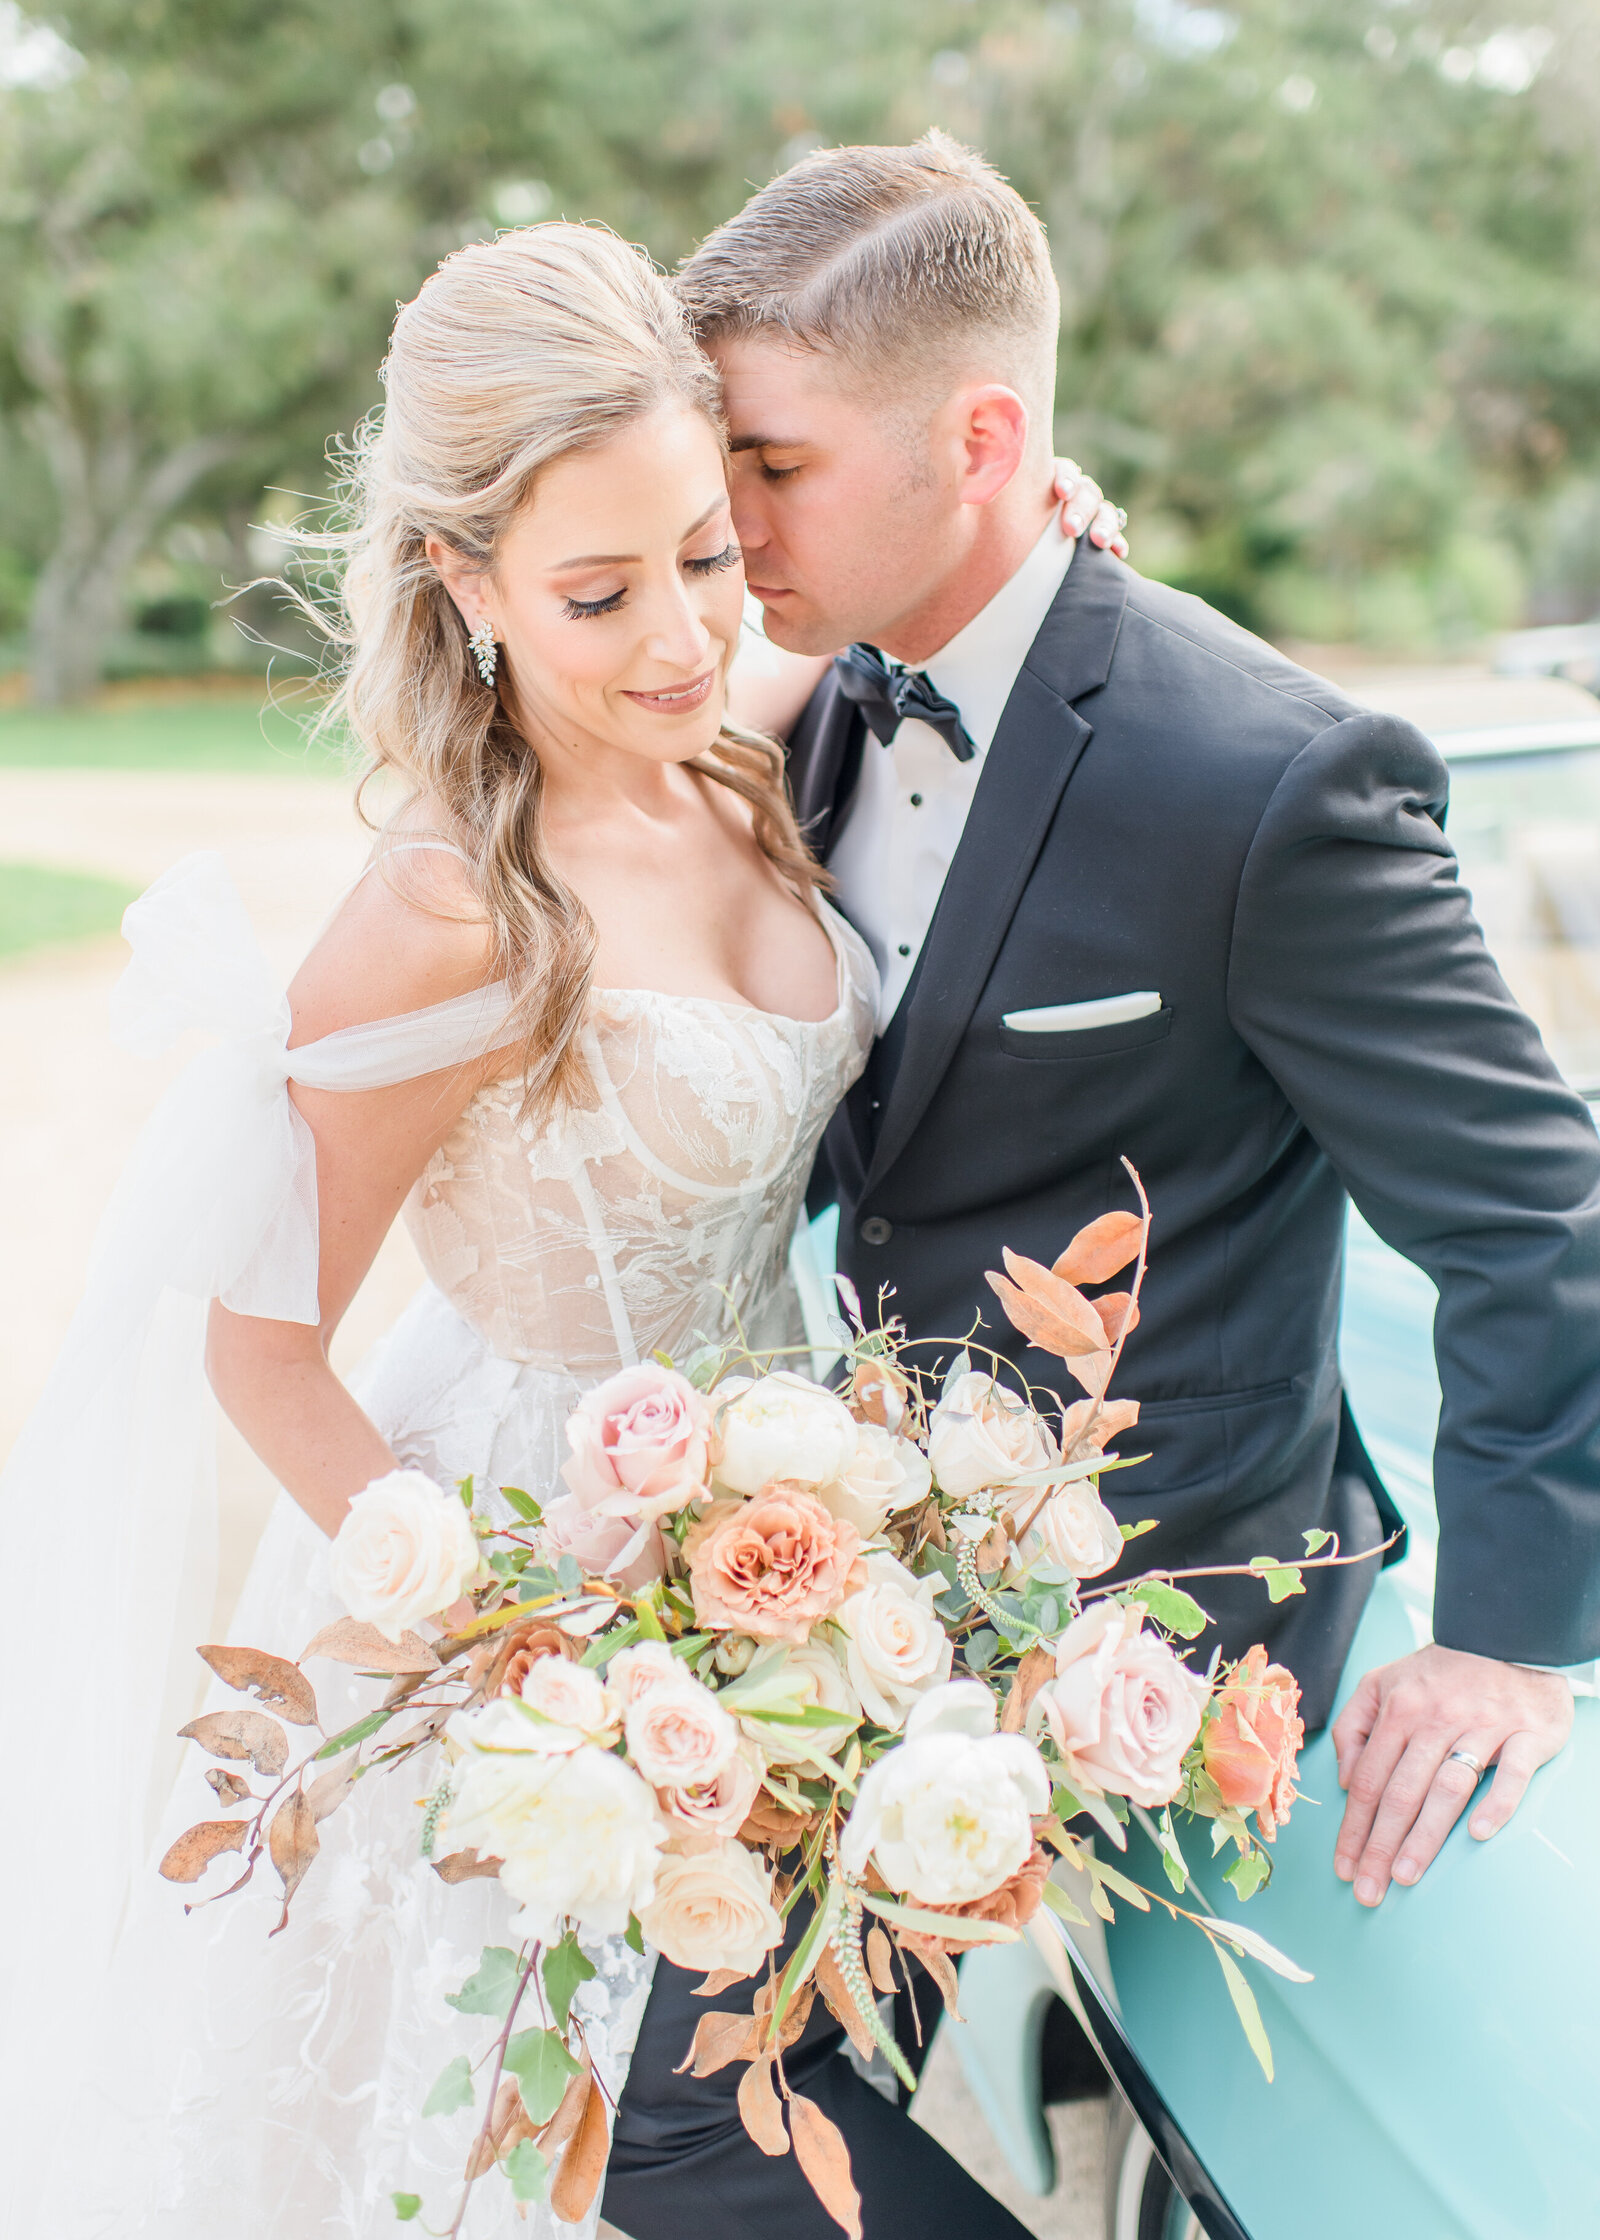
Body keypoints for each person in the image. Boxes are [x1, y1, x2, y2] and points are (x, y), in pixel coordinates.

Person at [3, 221, 1116, 2240]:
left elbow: (877, 606)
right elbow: (256, 1347)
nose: (682, 630)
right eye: (596, 591)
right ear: (463, 578)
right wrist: (505, 1629)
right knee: (615, 2137)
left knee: (783, 2081)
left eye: (705, 548)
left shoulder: (729, 748)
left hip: (789, 1548)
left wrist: (1031, 523)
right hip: (537, 1588)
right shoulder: (450, 906)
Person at [669, 132, 1596, 1939]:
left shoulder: (1269, 781)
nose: (729, 525)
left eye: (773, 465)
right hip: (836, 1612)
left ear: (985, 441)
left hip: (1167, 1648)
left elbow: (1538, 1216)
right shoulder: (795, 698)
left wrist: (1507, 1644)